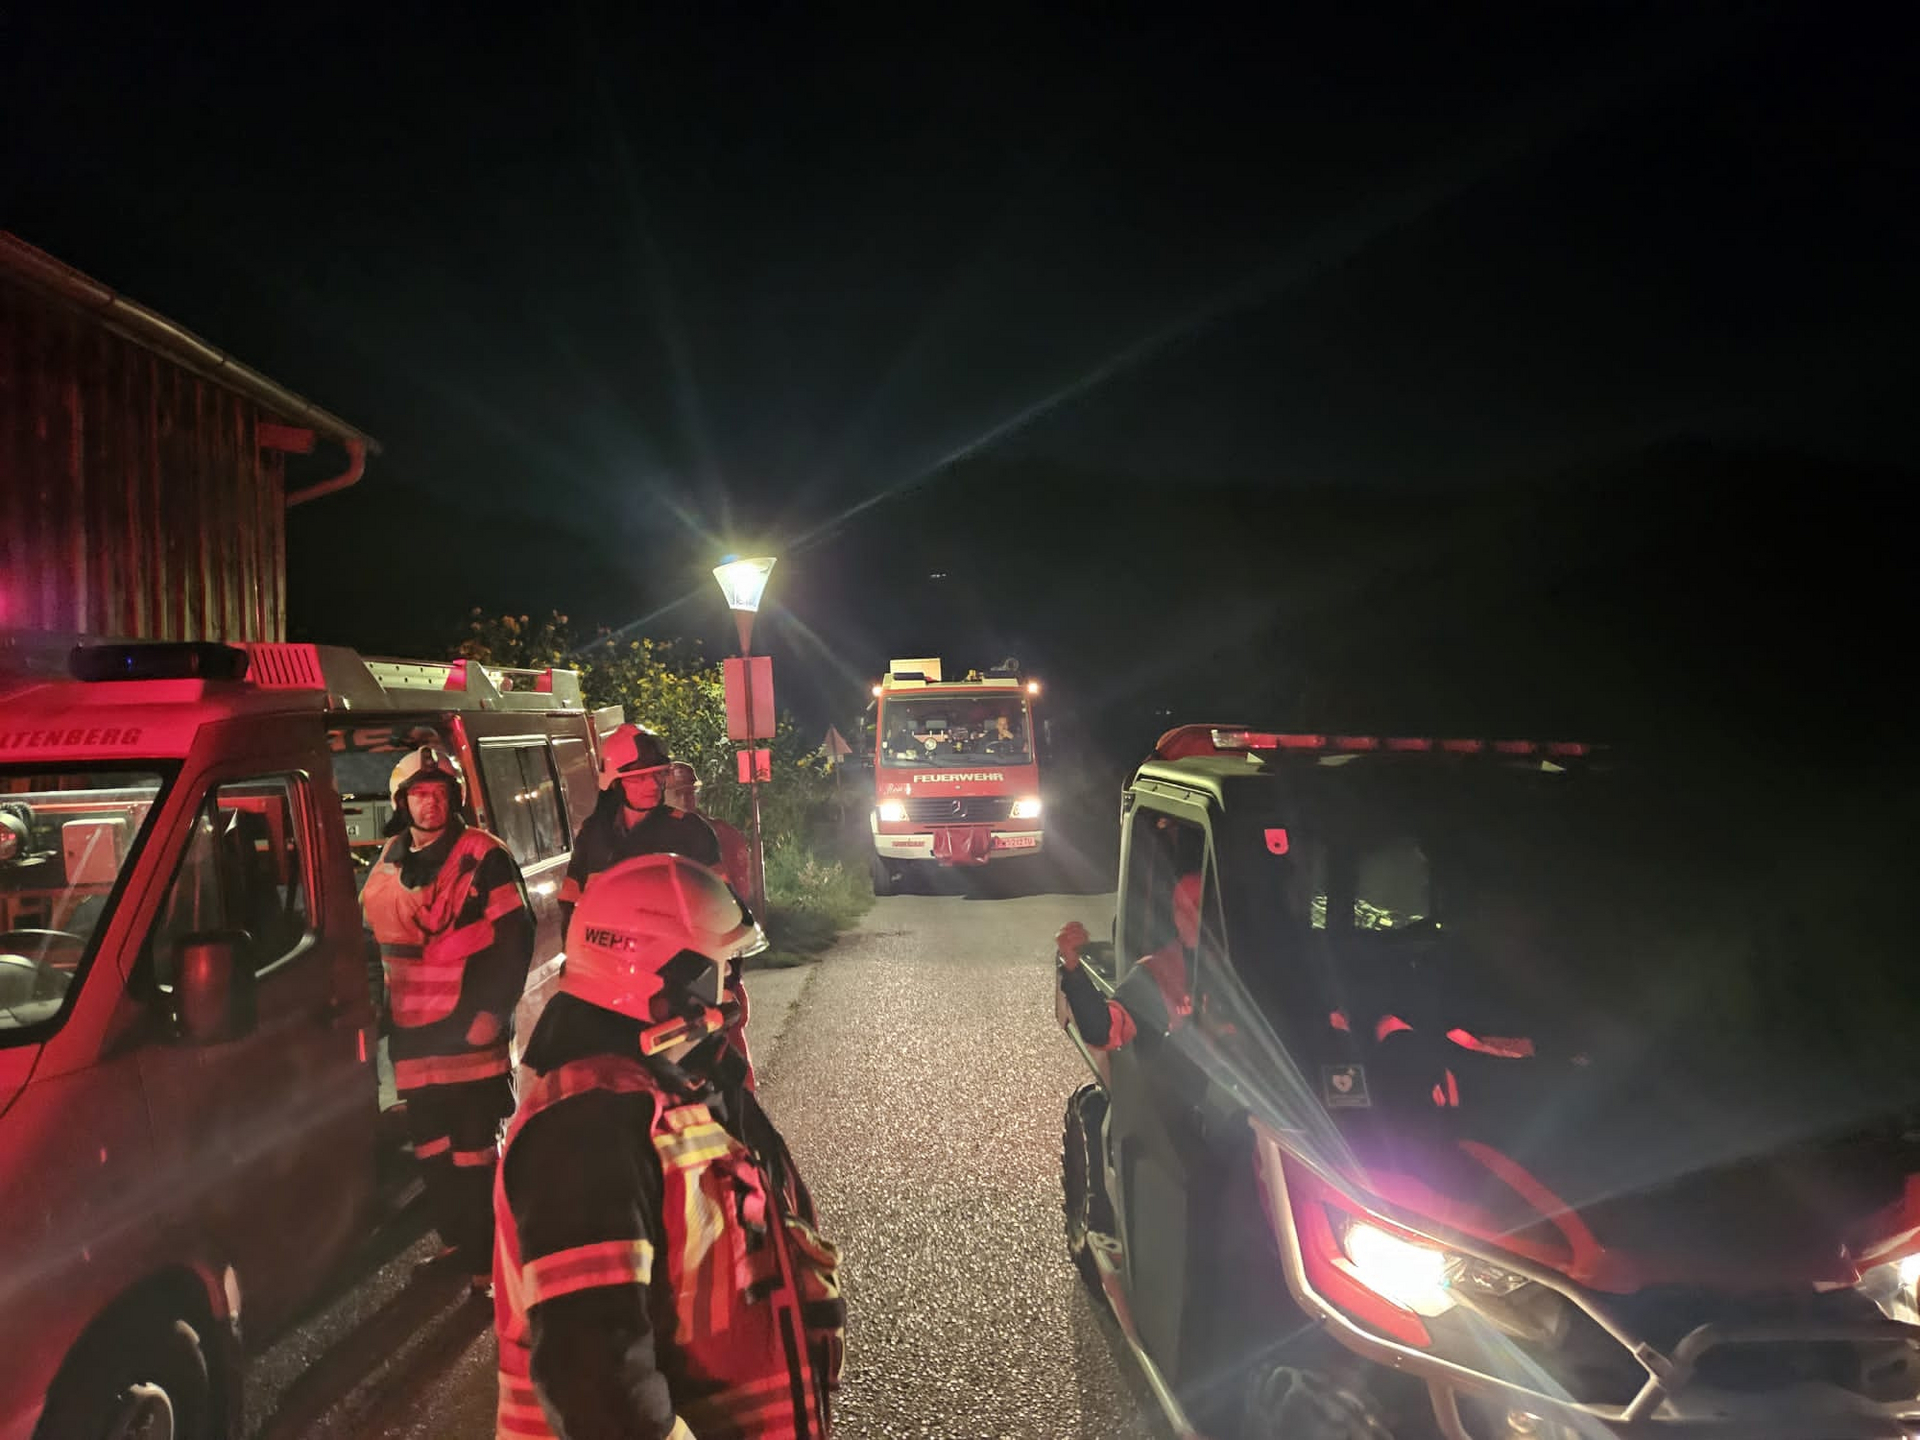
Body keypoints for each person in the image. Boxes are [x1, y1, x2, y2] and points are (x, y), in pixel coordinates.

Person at [494, 854, 842, 1439]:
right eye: (724, 971)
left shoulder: (679, 1088)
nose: (734, 992)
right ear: (666, 976)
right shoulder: (587, 1129)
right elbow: (600, 1391)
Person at [361, 744, 534, 1290]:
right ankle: (460, 1245)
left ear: (453, 798)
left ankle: (492, 1265)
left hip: (469, 1035)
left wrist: (491, 1014)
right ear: (401, 802)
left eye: (438, 793)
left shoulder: (485, 855)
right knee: (432, 1153)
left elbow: (515, 939)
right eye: (419, 794)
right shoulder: (388, 862)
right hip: (413, 1038)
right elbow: (371, 943)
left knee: (474, 1154)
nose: (430, 804)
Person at [560, 724, 721, 941]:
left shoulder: (690, 831)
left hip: (674, 955)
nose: (653, 785)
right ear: (614, 783)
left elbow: (723, 905)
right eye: (639, 778)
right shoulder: (593, 834)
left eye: (658, 774)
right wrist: (573, 950)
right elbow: (570, 902)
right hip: (607, 957)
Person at [666, 759, 760, 1086]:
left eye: (689, 791)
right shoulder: (649, 836)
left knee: (727, 1028)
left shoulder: (718, 834)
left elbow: (738, 895)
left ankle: (742, 1098)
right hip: (673, 953)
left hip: (715, 949)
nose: (686, 798)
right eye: (678, 792)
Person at [1055, 872, 1203, 1052]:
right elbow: (1104, 1030)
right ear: (1175, 916)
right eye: (1181, 909)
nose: (1189, 917)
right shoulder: (1157, 971)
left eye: (1199, 907)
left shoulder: (1232, 964)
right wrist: (1073, 969)